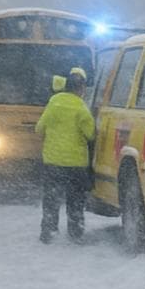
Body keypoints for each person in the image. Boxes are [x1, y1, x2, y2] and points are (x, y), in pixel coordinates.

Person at [34, 66, 95, 243]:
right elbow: (91, 134)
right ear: (81, 87)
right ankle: (75, 232)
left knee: (51, 199)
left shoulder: (54, 102)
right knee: (75, 200)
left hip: (53, 161)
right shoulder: (81, 107)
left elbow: (39, 128)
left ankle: (48, 232)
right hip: (76, 164)